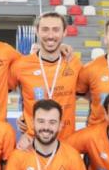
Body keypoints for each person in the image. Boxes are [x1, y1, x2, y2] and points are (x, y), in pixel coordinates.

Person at [10, 12, 82, 142]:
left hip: (67, 143)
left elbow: (86, 93)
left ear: (64, 32)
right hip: (32, 143)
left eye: (56, 30)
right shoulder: (21, 65)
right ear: (36, 31)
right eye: (45, 29)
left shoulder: (74, 63)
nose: (50, 35)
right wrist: (24, 115)